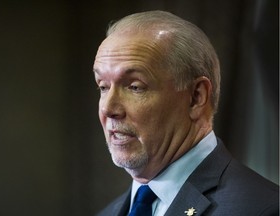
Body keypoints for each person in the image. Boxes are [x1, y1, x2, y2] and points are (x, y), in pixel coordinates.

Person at [93, 10, 279, 216]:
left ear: (196, 97)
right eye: (103, 87)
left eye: (135, 87)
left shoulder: (263, 209)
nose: (108, 109)